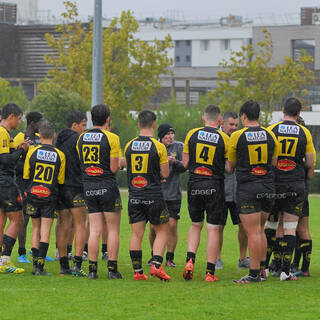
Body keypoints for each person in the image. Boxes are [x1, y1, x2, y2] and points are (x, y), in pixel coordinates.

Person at [227, 100, 278, 283]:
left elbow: (230, 166)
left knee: (253, 232)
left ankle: (254, 274)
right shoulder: (271, 135)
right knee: (261, 230)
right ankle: (262, 270)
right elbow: (274, 162)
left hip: (248, 187)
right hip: (268, 187)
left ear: (244, 116)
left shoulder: (237, 136)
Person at [268, 98, 315, 281]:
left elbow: (268, 157)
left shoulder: (272, 130)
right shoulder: (304, 132)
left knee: (275, 225)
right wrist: (306, 175)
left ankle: (271, 266)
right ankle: (290, 270)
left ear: (282, 110)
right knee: (293, 227)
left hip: (276, 184)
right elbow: (310, 162)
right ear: (299, 113)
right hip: (296, 184)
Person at [182, 105, 229, 282]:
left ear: (203, 118)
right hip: (214, 186)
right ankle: (210, 272)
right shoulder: (224, 138)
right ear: (220, 121)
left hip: (194, 184)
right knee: (213, 229)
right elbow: (229, 167)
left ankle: (190, 260)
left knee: (195, 225)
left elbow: (185, 163)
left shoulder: (191, 134)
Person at [76, 104, 122, 280]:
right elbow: (113, 167)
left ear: (91, 119)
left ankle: (92, 270)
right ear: (108, 119)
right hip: (107, 185)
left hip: (88, 186)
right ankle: (112, 269)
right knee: (112, 229)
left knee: (94, 229)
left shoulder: (81, 138)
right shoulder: (112, 138)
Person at [124, 110, 170, 281]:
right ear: (154, 125)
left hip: (134, 195)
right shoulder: (159, 147)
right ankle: (157, 266)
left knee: (136, 234)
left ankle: (138, 271)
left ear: (138, 124)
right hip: (153, 195)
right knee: (162, 230)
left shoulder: (129, 145)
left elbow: (129, 170)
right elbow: (165, 173)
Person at [23, 121, 66, 276]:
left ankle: (35, 265)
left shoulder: (32, 151)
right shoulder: (60, 155)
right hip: (49, 195)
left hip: (33, 194)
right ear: (53, 135)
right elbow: (60, 180)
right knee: (45, 230)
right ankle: (40, 267)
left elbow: (26, 174)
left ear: (39, 136)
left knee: (35, 228)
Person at [148, 123, 185, 267]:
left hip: (173, 194)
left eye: (172, 133)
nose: (170, 137)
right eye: (167, 134)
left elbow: (184, 167)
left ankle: (170, 258)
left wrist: (174, 162)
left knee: (172, 225)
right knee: (153, 227)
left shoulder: (179, 147)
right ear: (161, 137)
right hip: (157, 193)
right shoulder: (154, 147)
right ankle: (154, 254)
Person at [55, 110, 87, 276]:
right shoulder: (79, 141)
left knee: (62, 224)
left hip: (60, 188)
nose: (84, 128)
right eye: (83, 125)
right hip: (76, 187)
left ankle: (63, 266)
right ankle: (77, 265)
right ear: (74, 125)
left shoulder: (58, 140)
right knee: (80, 224)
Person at [217, 111, 249, 270]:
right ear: (222, 123)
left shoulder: (241, 139)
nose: (234, 128)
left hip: (239, 190)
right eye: (231, 124)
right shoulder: (216, 139)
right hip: (221, 190)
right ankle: (217, 259)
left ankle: (243, 258)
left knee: (244, 225)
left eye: (236, 125)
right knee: (218, 225)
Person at [0, 103, 29, 274]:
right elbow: (4, 161)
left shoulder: (6, 133)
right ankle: (5, 260)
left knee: (2, 218)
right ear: (11, 116)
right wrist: (20, 151)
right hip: (4, 181)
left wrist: (18, 150)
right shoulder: (3, 133)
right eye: (19, 119)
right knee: (17, 219)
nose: (19, 122)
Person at [13, 111, 44, 263]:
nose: (42, 125)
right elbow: (15, 161)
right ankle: (21, 252)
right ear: (33, 123)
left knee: (38, 218)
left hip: (38, 183)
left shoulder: (40, 138)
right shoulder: (20, 137)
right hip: (23, 184)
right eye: (41, 122)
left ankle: (35, 250)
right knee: (23, 218)